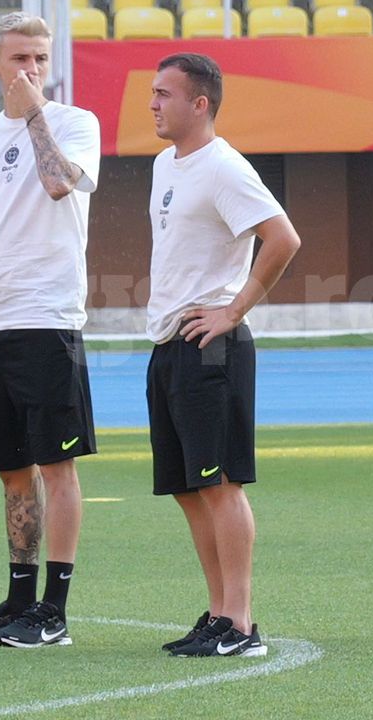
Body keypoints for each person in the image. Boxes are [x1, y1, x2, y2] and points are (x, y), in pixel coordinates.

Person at [0, 11, 101, 648]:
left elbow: (60, 183)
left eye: (39, 58)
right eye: (18, 60)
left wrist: (35, 110)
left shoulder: (74, 123)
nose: (30, 69)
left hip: (45, 319)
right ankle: (17, 601)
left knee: (56, 467)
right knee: (11, 472)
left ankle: (54, 611)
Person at [145, 53, 301, 657]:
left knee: (220, 484)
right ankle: (216, 614)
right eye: (154, 92)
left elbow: (283, 238)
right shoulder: (165, 164)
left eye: (165, 94)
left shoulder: (224, 168)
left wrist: (233, 311)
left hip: (213, 345)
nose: (154, 103)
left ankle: (240, 623)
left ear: (199, 104)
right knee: (188, 488)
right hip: (170, 343)